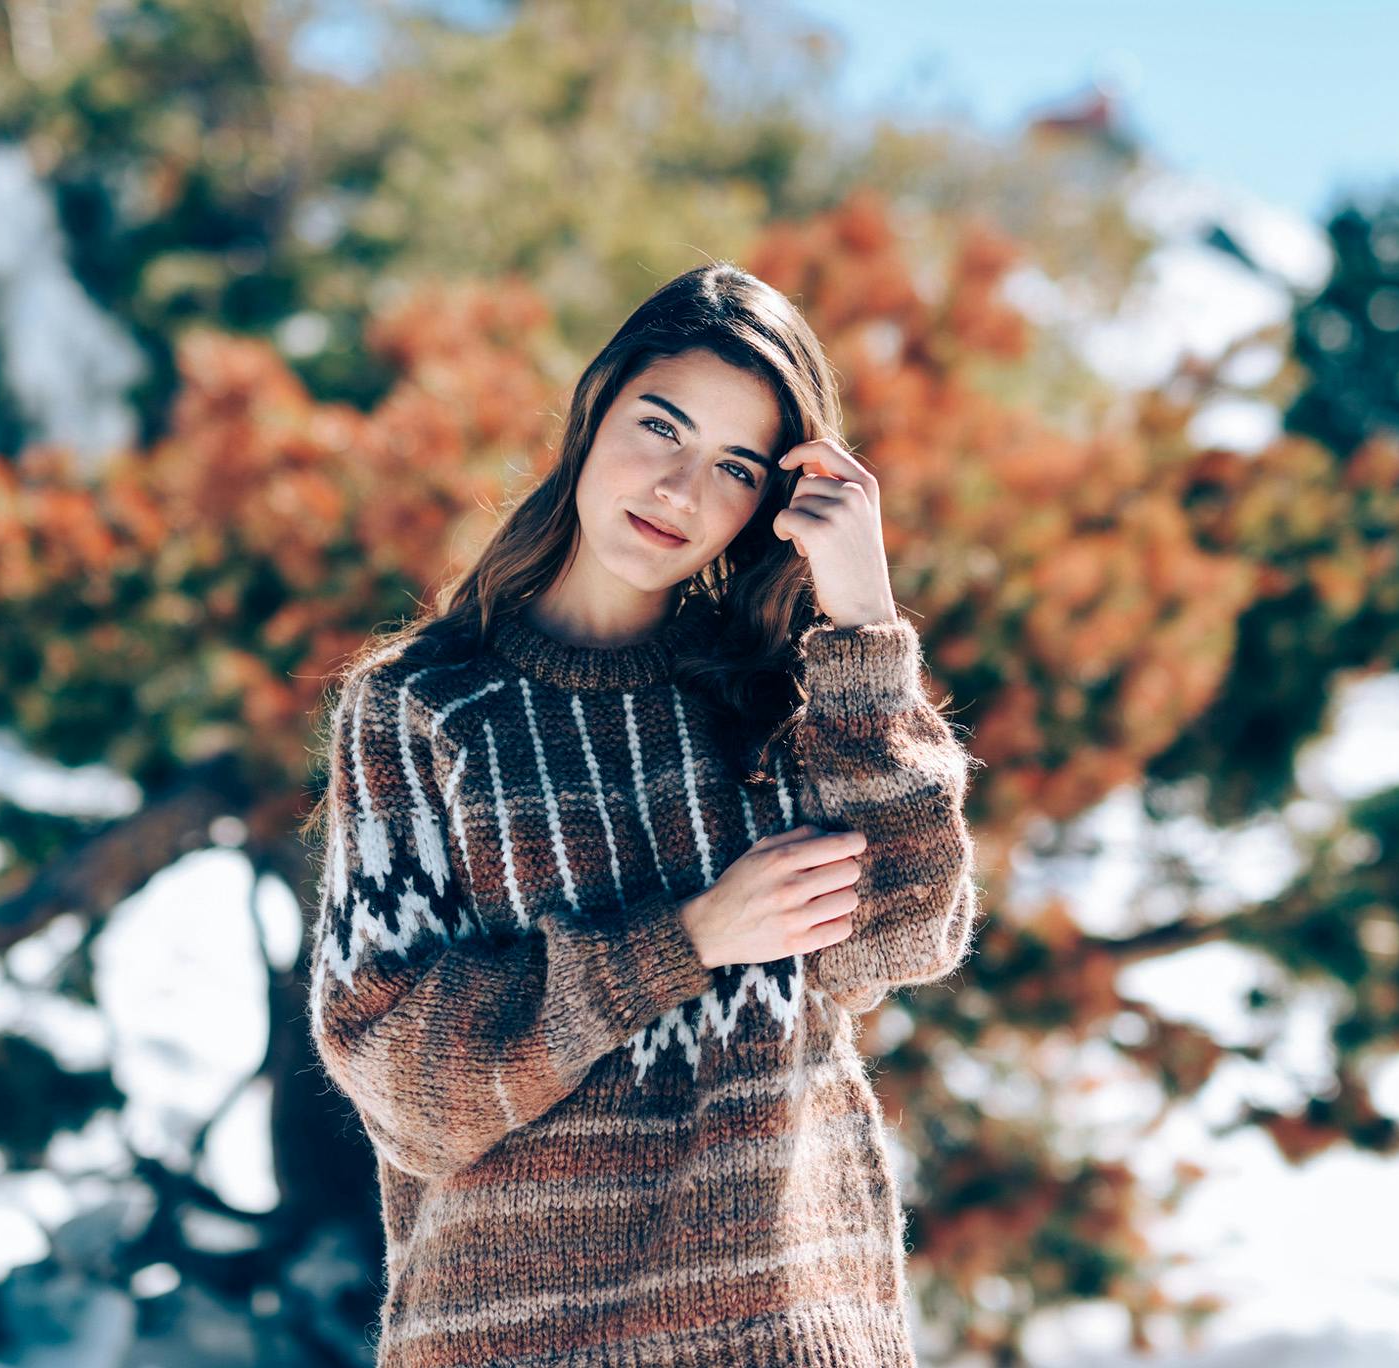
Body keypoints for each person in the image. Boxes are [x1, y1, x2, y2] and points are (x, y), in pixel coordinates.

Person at [304, 261, 982, 1367]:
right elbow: (404, 1078)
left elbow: (908, 936)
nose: (677, 490)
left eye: (733, 467)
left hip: (790, 1331)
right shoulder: (423, 710)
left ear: (769, 501)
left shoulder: (785, 698)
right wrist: (690, 940)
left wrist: (862, 612)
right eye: (658, 427)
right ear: (594, 410)